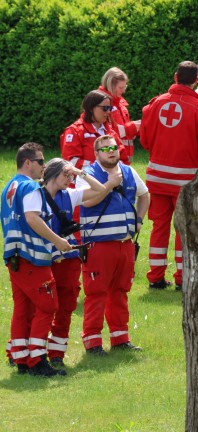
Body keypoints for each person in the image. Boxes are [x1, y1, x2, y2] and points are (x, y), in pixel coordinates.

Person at [140, 61, 198, 290]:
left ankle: (156, 277)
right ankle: (183, 278)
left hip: (157, 178)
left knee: (159, 227)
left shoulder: (155, 105)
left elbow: (145, 141)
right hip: (185, 181)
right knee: (184, 229)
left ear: (175, 76)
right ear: (196, 81)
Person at [2, 143, 71, 377]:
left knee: (22, 307)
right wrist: (58, 241)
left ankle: (20, 358)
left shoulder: (9, 186)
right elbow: (32, 218)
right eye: (41, 161)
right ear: (28, 162)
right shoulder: (30, 186)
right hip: (33, 257)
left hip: (14, 258)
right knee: (48, 305)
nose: (44, 166)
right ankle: (37, 360)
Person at [77, 135, 150, 355]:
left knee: (120, 291)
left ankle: (120, 339)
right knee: (96, 293)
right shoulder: (87, 174)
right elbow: (87, 201)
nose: (111, 151)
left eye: (114, 147)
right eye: (105, 148)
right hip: (98, 245)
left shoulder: (129, 171)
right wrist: (110, 184)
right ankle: (93, 342)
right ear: (96, 153)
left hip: (125, 244)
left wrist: (138, 220)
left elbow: (145, 195)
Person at [41, 158, 116, 367]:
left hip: (68, 258)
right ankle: (32, 352)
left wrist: (79, 172)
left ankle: (56, 353)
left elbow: (100, 189)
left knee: (66, 305)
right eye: (65, 175)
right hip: (44, 258)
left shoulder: (70, 195)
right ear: (52, 174)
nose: (69, 179)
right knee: (44, 305)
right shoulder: (36, 196)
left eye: (70, 175)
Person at [60, 90, 129, 169]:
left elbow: (123, 157)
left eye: (110, 108)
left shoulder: (109, 131)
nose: (109, 111)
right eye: (105, 108)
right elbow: (71, 162)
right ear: (91, 108)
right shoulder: (74, 131)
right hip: (84, 180)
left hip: (112, 179)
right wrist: (101, 168)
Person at [99, 67, 141, 164]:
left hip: (123, 157)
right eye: (120, 87)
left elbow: (124, 132)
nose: (123, 91)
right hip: (110, 155)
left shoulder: (120, 104)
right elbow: (105, 131)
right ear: (110, 86)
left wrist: (138, 128)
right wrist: (132, 128)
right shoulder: (101, 103)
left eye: (125, 87)